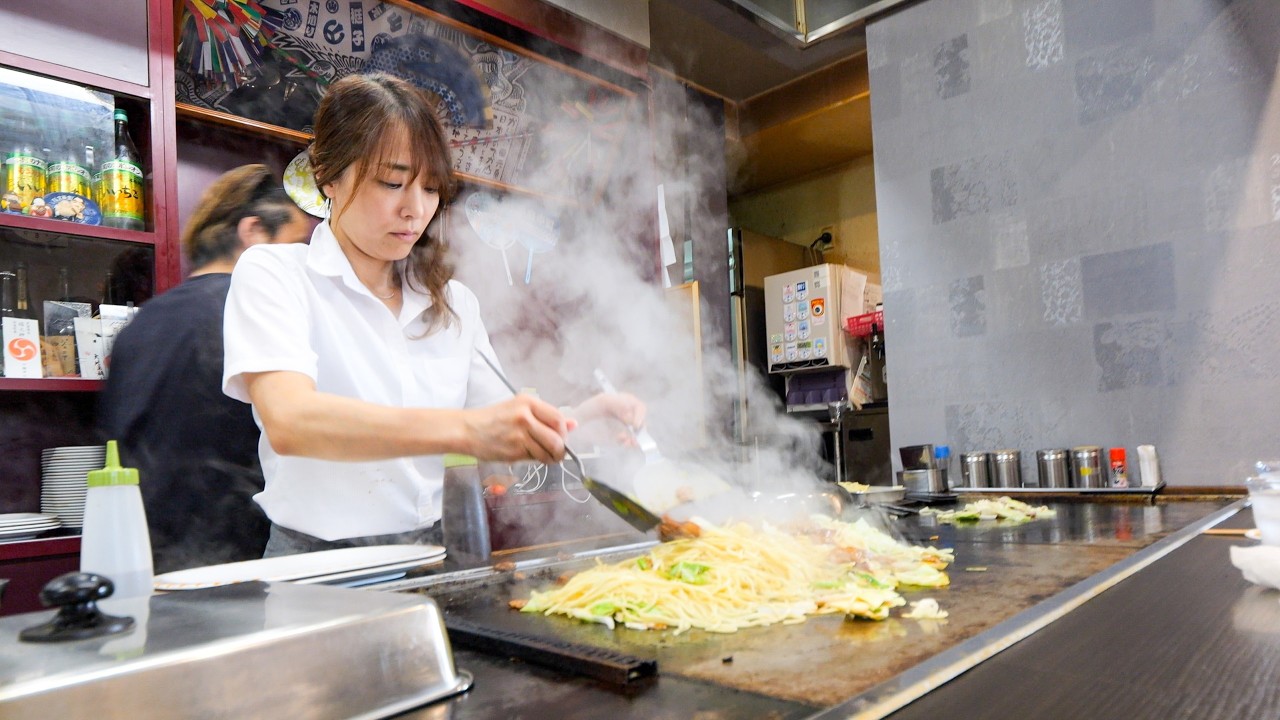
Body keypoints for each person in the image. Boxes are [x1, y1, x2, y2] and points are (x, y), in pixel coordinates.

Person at [222, 73, 644, 557]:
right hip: (317, 561)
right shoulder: (276, 273)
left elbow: (493, 421)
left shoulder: (453, 302)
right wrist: (467, 431)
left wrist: (580, 421)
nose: (415, 210)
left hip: (431, 554)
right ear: (328, 175)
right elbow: (291, 420)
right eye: (393, 182)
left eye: (431, 188)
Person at [99, 165, 312, 573]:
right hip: (246, 559)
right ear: (253, 233)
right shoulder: (258, 314)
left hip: (150, 557)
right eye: (295, 243)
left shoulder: (139, 323)